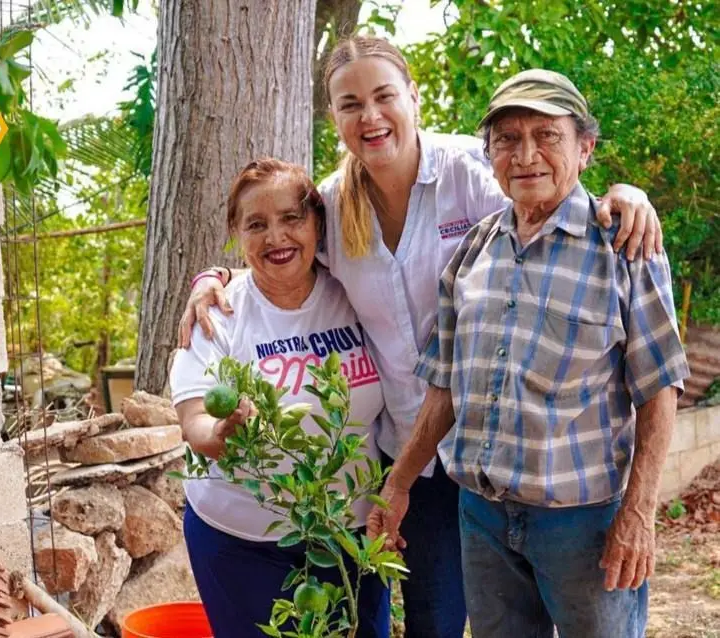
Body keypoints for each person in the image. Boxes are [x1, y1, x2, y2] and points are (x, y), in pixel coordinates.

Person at [177, 36, 664, 637]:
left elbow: (552, 195)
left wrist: (629, 195)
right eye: (350, 103)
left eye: (384, 96)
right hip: (409, 455)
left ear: (413, 97)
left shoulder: (473, 173)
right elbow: (276, 254)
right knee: (437, 621)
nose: (370, 116)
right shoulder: (329, 205)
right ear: (334, 117)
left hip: (506, 456)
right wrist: (211, 278)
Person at [367, 69, 690, 638]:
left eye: (547, 136)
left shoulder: (625, 247)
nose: (526, 155)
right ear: (489, 152)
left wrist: (639, 514)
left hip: (584, 524)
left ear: (584, 148)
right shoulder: (473, 251)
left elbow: (658, 389)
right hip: (483, 517)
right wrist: (397, 485)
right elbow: (444, 386)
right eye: (508, 139)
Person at [169, 158, 391, 637]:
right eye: (257, 224)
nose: (277, 237)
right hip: (237, 543)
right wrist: (221, 434)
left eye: (292, 218)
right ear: (236, 232)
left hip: (348, 536)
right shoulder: (218, 314)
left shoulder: (356, 292)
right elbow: (193, 422)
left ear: (317, 223)